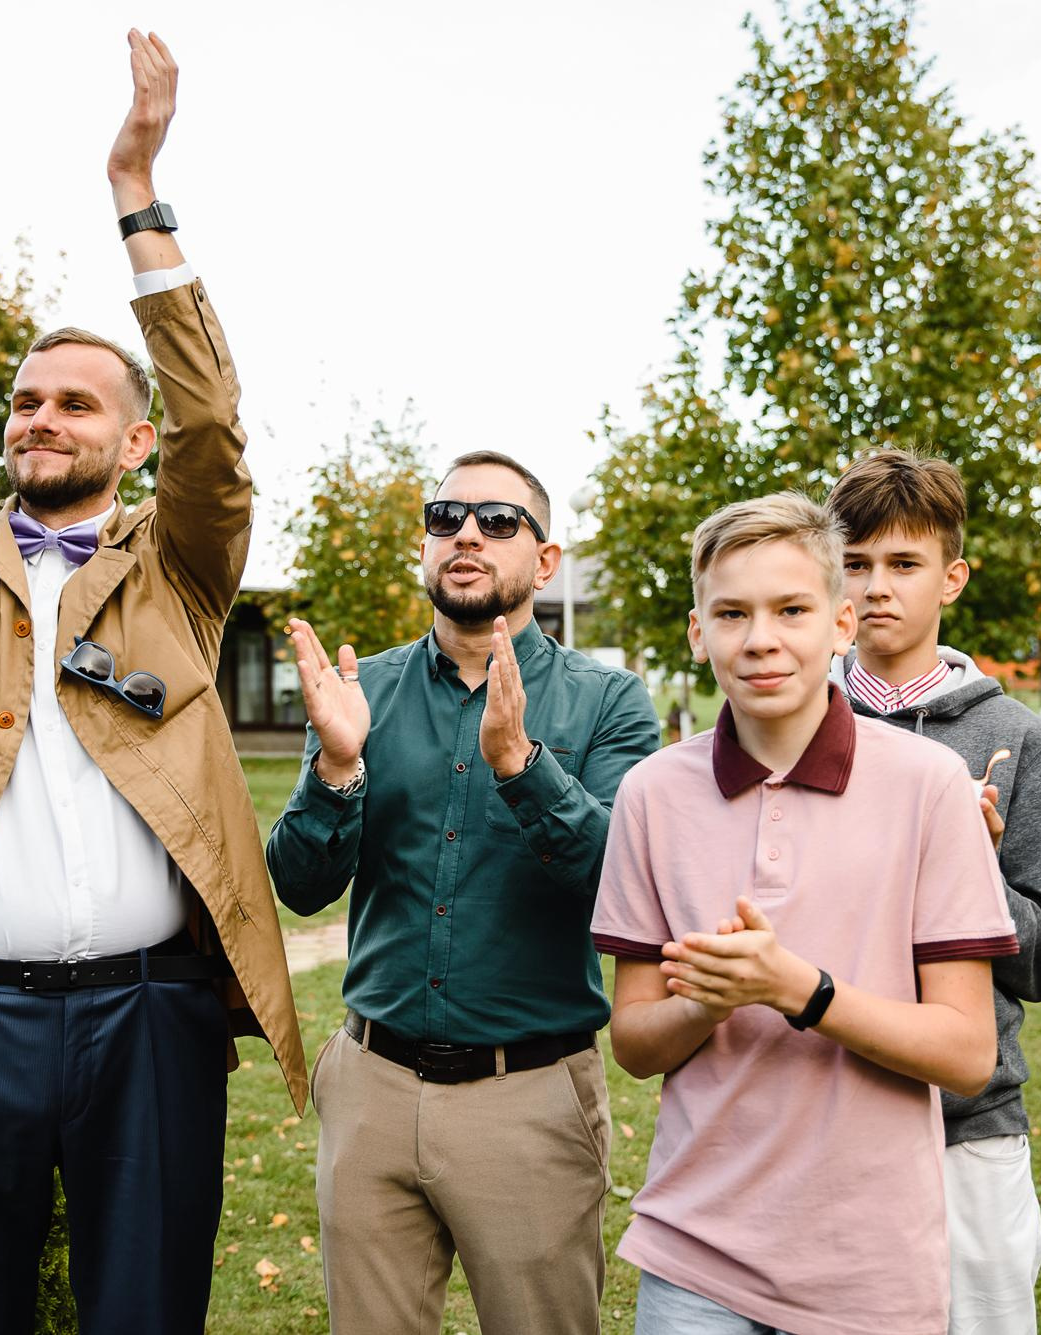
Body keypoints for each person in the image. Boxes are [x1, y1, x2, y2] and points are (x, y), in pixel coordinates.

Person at [0, 33, 305, 1335]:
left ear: (131, 439)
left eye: (75, 403)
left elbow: (216, 425)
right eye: (26, 403)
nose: (39, 418)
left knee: (144, 1308)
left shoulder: (186, 566)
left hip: (150, 1022)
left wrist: (136, 188)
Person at [593, 492, 1018, 1335]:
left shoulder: (930, 786)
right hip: (693, 1255)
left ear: (842, 623)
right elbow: (635, 1044)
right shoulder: (649, 795)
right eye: (731, 613)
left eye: (791, 609)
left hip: (870, 1260)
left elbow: (969, 1054)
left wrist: (802, 990)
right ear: (696, 632)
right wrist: (707, 1002)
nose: (760, 638)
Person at [266, 450, 660, 1334]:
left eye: (498, 519)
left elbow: (620, 884)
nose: (468, 534)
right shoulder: (363, 694)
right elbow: (300, 886)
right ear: (426, 548)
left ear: (545, 560)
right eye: (446, 518)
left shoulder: (609, 702)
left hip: (528, 1095)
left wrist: (522, 766)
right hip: (370, 1086)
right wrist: (336, 765)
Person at [828, 448, 1041, 1334]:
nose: (876, 587)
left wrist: (972, 873)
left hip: (968, 1129)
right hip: (817, 1114)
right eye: (855, 563)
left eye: (904, 563)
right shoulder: (780, 723)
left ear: (953, 578)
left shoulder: (1015, 738)